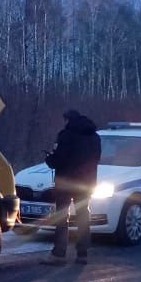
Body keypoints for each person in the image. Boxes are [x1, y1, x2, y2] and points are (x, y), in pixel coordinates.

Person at [41, 109, 102, 265]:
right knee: (83, 216)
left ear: (68, 119)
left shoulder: (66, 136)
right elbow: (97, 159)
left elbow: (58, 160)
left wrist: (49, 159)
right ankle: (82, 254)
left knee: (62, 216)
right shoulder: (95, 137)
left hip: (66, 183)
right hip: (86, 183)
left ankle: (59, 254)